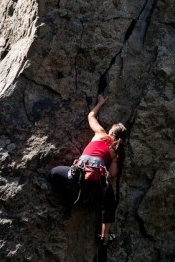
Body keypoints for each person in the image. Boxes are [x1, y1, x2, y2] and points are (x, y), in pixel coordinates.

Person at [50, 94, 127, 244]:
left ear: (111, 132)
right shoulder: (117, 153)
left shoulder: (101, 134)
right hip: (96, 183)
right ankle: (104, 236)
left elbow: (91, 116)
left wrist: (100, 103)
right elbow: (111, 174)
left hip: (77, 176)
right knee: (109, 203)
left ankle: (71, 196)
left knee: (53, 173)